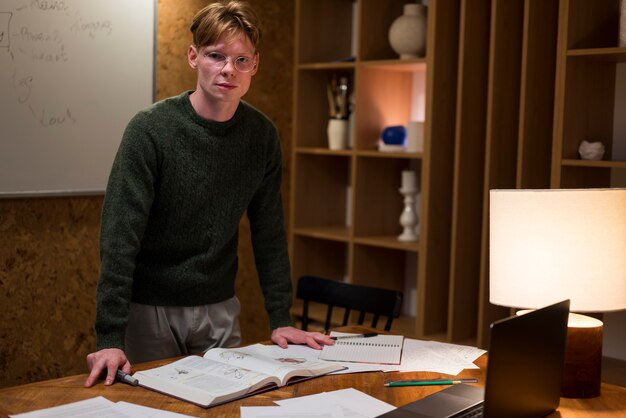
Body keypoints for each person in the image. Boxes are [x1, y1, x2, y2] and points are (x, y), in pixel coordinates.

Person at [84, 0, 332, 388]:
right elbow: (119, 238)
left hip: (220, 309)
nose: (229, 69)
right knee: (155, 410)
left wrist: (280, 318)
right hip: (151, 310)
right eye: (216, 56)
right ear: (193, 56)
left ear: (255, 65)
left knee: (227, 404)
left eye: (241, 60)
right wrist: (110, 337)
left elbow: (269, 231)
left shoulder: (261, 136)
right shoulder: (150, 131)